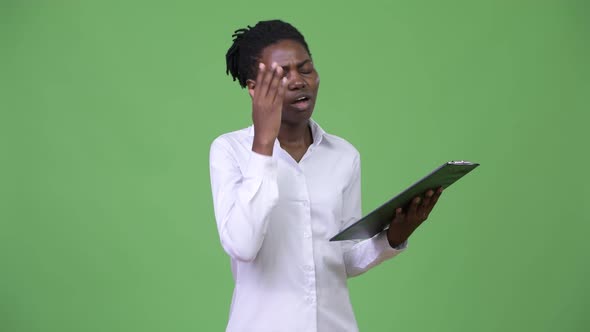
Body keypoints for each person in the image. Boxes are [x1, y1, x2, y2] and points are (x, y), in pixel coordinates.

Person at [209, 19, 443, 332]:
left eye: (305, 68)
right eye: (281, 74)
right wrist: (263, 144)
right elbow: (243, 245)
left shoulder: (344, 156)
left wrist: (394, 235)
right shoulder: (230, 151)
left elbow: (342, 257)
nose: (297, 81)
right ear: (254, 89)